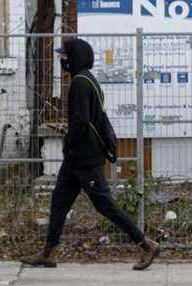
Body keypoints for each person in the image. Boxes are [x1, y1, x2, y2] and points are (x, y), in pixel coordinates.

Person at [21, 38, 160, 271]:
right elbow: (84, 120)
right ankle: (48, 252)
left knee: (105, 205)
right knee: (59, 202)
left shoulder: (80, 83)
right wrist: (69, 134)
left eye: (64, 56)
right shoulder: (86, 80)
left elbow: (82, 122)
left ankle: (147, 245)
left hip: (84, 159)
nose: (61, 60)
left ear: (74, 58)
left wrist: (69, 142)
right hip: (77, 158)